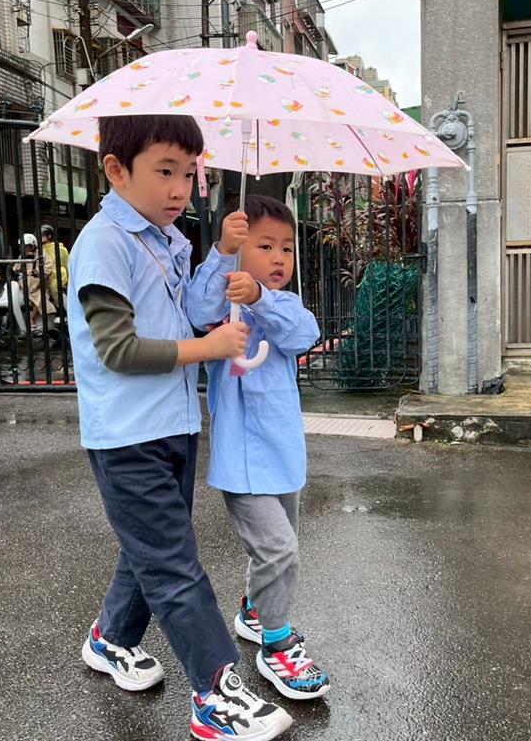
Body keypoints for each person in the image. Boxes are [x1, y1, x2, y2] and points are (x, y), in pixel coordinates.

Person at [68, 114, 293, 740]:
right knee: (173, 562)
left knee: (151, 543)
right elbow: (118, 349)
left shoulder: (168, 239)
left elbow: (190, 314)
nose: (179, 188)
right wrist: (210, 348)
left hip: (173, 424)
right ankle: (216, 693)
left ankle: (111, 638)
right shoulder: (105, 243)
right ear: (116, 170)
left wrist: (224, 260)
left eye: (189, 173)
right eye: (164, 171)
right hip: (126, 433)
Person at [186, 195, 329, 701]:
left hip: (284, 458)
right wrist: (223, 253)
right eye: (264, 246)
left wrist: (261, 299)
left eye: (286, 248)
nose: (278, 258)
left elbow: (304, 334)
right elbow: (196, 307)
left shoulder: (282, 305)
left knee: (279, 546)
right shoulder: (221, 304)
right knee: (278, 549)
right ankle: (276, 643)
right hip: (242, 464)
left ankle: (252, 609)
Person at [23, 233, 57, 331]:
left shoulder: (43, 256)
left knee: (41, 296)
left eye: (26, 246)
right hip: (25, 285)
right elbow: (16, 268)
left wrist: (37, 272)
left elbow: (48, 270)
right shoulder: (22, 256)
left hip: (40, 286)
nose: (24, 248)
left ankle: (32, 319)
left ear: (32, 245)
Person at [40, 224, 69, 308]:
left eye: (42, 235)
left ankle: (61, 308)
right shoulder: (39, 249)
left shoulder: (60, 248)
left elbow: (66, 264)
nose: (40, 237)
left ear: (49, 236)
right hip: (45, 274)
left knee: (54, 287)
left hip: (59, 273)